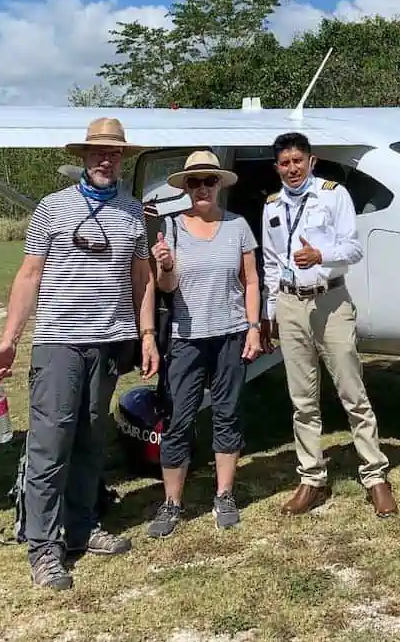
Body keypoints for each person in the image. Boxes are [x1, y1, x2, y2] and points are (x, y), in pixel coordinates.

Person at [0, 117, 159, 591]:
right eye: (98, 153)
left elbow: (142, 279)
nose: (107, 160)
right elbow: (29, 276)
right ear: (83, 157)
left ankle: (82, 528)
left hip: (109, 342)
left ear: (123, 159)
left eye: (115, 154)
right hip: (59, 341)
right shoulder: (52, 208)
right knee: (51, 441)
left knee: (89, 436)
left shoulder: (132, 214)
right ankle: (43, 545)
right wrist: (10, 338)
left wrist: (146, 334)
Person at [261, 131, 397, 518]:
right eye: (284, 163)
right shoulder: (271, 206)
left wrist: (320, 255)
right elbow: (271, 263)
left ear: (311, 161)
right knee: (301, 400)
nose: (292, 169)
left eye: (297, 161)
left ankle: (375, 475)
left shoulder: (333, 194)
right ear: (277, 168)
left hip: (330, 300)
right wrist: (271, 312)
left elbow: (353, 248)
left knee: (352, 392)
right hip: (290, 303)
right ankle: (311, 479)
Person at [147, 149, 262, 537]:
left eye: (208, 181)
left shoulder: (238, 226)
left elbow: (251, 281)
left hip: (230, 333)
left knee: (227, 414)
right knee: (178, 419)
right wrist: (164, 264)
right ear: (185, 188)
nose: (202, 188)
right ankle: (172, 503)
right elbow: (167, 287)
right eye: (194, 182)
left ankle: (224, 494)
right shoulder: (172, 228)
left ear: (218, 185)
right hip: (186, 339)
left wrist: (253, 327)